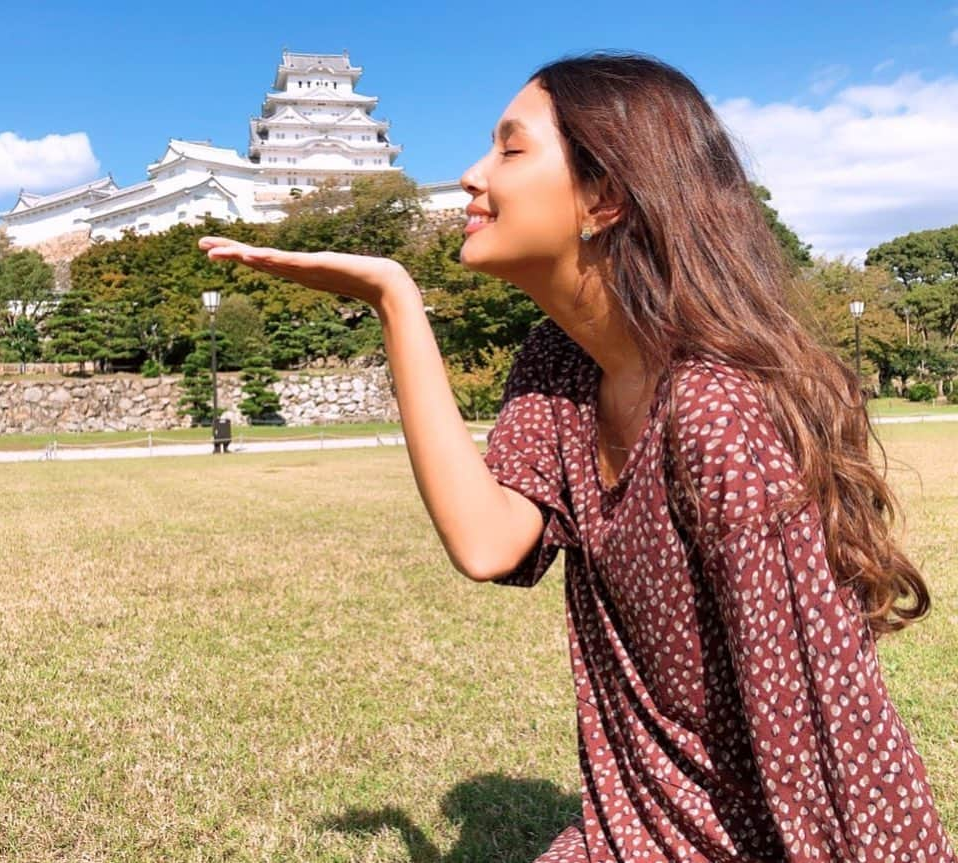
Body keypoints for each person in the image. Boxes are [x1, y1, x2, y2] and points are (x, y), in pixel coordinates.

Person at [199, 53, 955, 863]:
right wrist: (395, 298)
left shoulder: (717, 412)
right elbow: (489, 542)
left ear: (605, 196)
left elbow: (829, 726)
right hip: (630, 834)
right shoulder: (560, 366)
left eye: (510, 150)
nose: (469, 175)